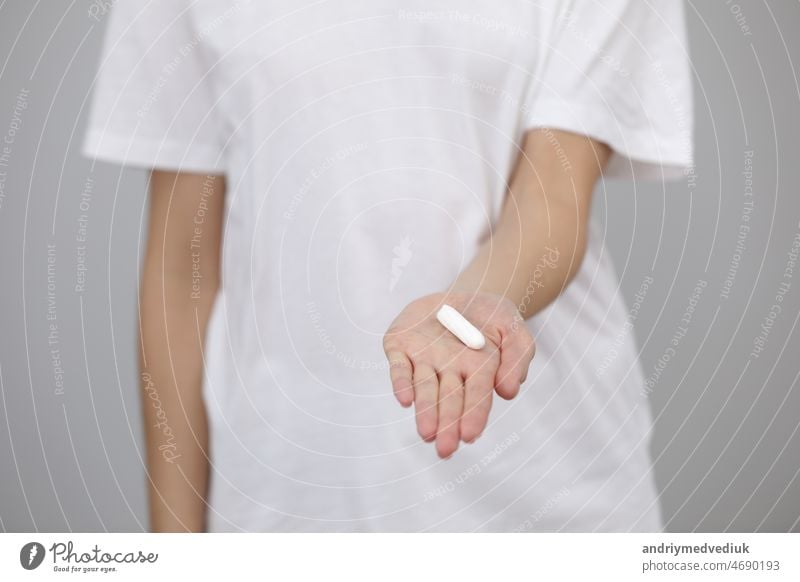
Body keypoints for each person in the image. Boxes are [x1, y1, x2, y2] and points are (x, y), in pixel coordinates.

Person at [83, 0, 693, 532]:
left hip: (541, 493)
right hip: (284, 500)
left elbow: (555, 196)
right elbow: (179, 273)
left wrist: (469, 311)